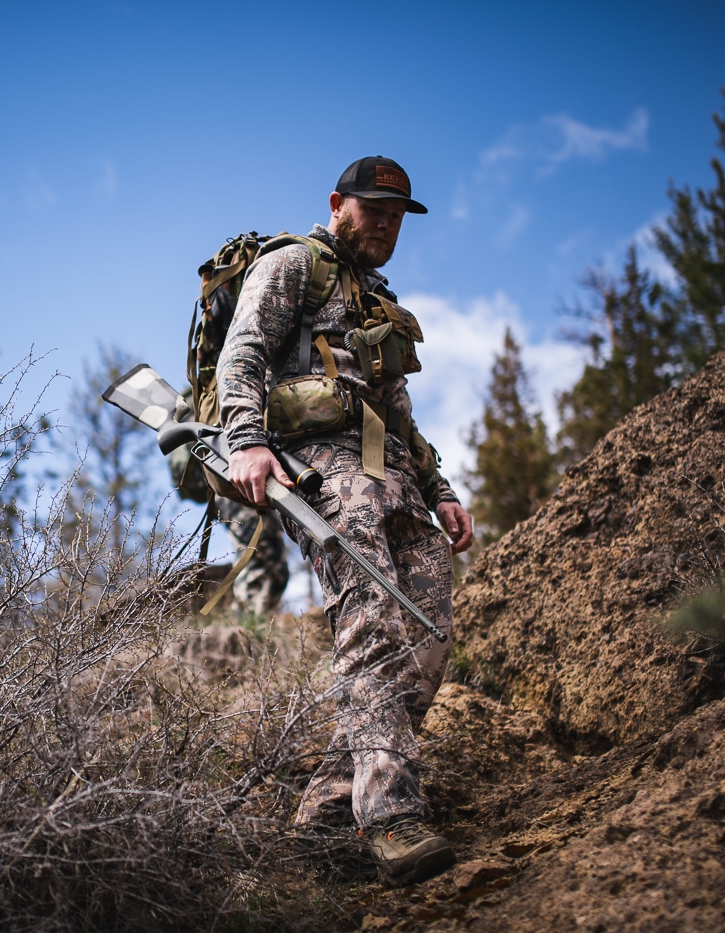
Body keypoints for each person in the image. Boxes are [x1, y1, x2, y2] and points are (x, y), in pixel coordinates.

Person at [216, 156, 474, 885]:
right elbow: (244, 353)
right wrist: (247, 440)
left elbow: (397, 411)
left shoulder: (378, 300)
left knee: (426, 636)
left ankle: (327, 812)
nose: (387, 223)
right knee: (370, 622)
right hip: (322, 470)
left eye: (398, 214)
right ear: (339, 203)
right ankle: (393, 816)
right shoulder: (295, 264)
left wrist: (441, 488)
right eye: (374, 209)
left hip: (393, 479)